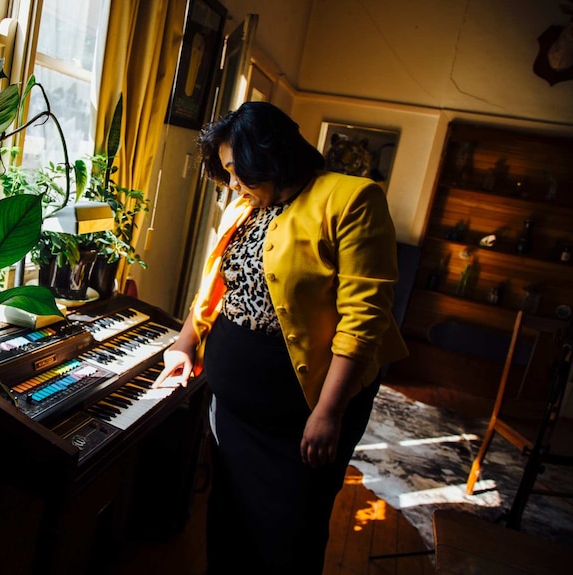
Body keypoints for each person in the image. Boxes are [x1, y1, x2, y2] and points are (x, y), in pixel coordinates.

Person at [153, 101, 408, 574]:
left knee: (288, 537)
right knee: (228, 526)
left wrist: (329, 413)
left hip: (303, 415)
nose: (232, 183)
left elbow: (363, 317)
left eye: (236, 170)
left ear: (267, 156)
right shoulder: (248, 203)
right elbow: (217, 285)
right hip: (233, 413)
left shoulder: (352, 199)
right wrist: (185, 343)